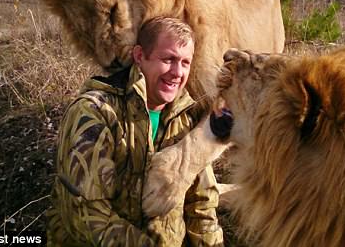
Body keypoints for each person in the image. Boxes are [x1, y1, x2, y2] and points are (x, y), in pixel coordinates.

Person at [46, 16, 224, 246]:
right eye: (168, 59)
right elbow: (86, 214)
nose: (177, 72)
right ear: (140, 56)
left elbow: (201, 205)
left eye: (185, 62)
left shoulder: (187, 118)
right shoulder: (95, 112)